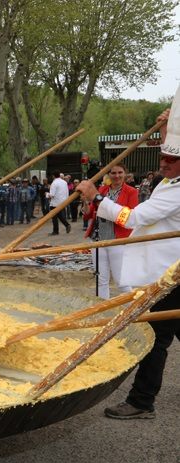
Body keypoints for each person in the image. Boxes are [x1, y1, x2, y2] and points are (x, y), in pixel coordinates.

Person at [75, 99, 179, 420]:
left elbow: (132, 218)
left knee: (156, 340)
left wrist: (96, 198)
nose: (163, 162)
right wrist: (167, 125)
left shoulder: (178, 190)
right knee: (161, 336)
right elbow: (171, 147)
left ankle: (141, 402)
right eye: (162, 156)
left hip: (168, 276)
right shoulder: (171, 180)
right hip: (167, 274)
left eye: (171, 160)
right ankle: (141, 400)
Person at [81, 163, 138, 299]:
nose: (117, 176)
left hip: (117, 240)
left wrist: (109, 210)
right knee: (100, 279)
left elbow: (131, 217)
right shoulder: (102, 190)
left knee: (121, 280)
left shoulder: (131, 192)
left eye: (120, 172)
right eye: (113, 173)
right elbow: (89, 214)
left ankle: (133, 310)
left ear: (125, 174)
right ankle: (103, 309)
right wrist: (85, 202)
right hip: (98, 239)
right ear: (108, 175)